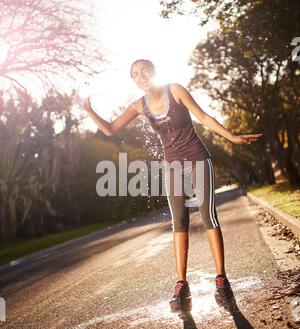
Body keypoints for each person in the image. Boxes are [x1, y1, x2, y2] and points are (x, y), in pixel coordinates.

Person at [79, 59, 263, 310]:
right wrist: (89, 110)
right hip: (173, 166)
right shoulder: (139, 106)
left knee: (208, 215)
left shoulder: (175, 90)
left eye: (144, 70)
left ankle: (221, 280)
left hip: (198, 159)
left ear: (154, 71)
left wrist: (231, 137)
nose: (141, 76)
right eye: (135, 74)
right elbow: (111, 129)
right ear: (133, 80)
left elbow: (202, 116)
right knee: (179, 221)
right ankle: (181, 285)